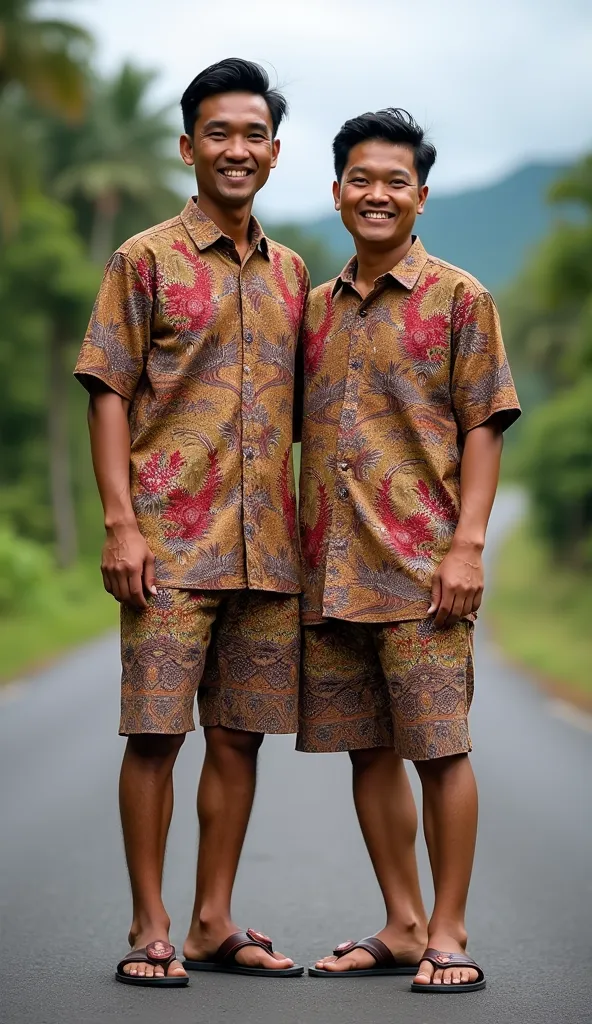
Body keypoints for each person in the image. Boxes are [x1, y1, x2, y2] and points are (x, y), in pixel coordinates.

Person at [74, 58, 308, 986]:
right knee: (156, 733)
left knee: (240, 736)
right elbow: (107, 392)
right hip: (168, 543)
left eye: (253, 135)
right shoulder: (143, 259)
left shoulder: (295, 276)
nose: (236, 150)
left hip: (267, 550)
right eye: (219, 133)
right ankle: (152, 924)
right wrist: (120, 524)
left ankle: (214, 919)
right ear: (187, 146)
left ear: (276, 153)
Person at [297, 108, 520, 992]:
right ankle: (401, 921)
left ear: (420, 197)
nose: (376, 194)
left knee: (439, 747)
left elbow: (484, 427)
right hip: (333, 569)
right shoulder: (309, 308)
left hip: (426, 567)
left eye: (394, 182)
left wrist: (468, 546)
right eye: (361, 178)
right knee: (367, 749)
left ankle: (450, 932)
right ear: (338, 190)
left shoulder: (461, 299)